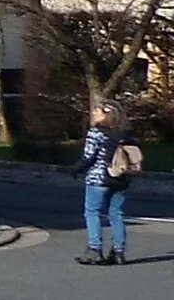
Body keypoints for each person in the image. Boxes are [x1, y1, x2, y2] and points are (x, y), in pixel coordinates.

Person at [72, 100, 131, 266]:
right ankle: (119, 252)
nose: (93, 115)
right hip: (121, 178)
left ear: (107, 115)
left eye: (97, 112)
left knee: (92, 212)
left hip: (98, 178)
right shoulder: (123, 134)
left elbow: (89, 157)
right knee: (116, 213)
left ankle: (95, 250)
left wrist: (76, 169)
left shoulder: (96, 133)